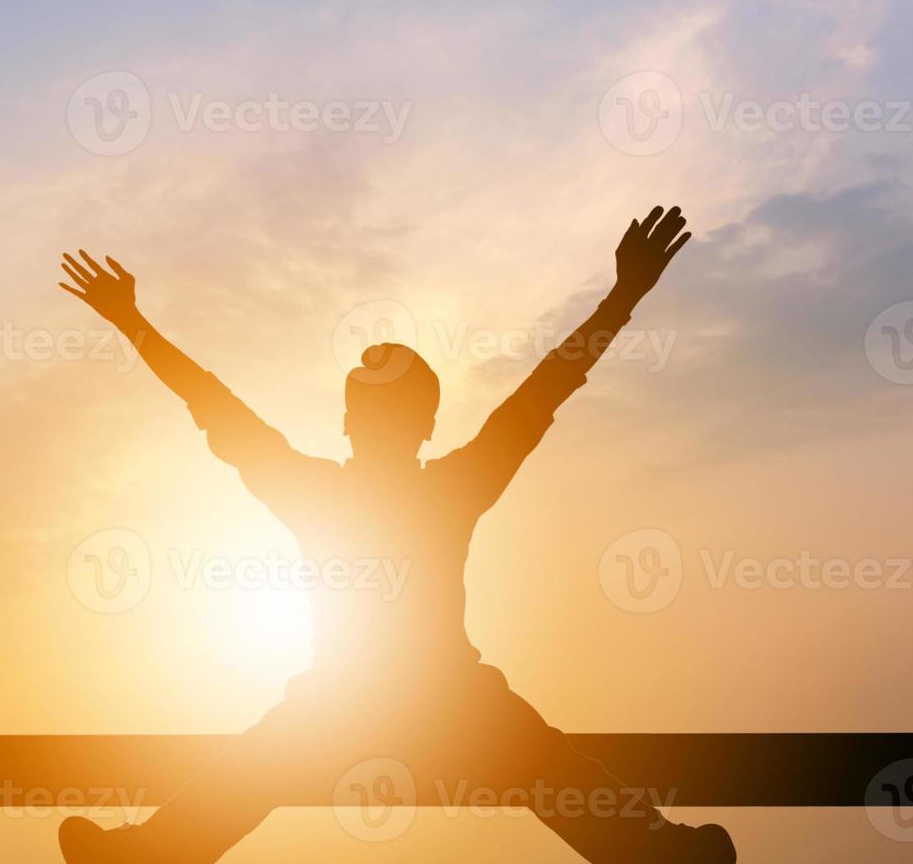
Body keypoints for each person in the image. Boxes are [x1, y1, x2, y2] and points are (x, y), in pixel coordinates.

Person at [55, 207, 735, 863]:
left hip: (351, 711)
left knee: (266, 758)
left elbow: (209, 402)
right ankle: (659, 853)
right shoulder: (446, 488)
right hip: (443, 709)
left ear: (352, 421)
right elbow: (546, 388)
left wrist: (132, 322)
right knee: (540, 759)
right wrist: (622, 296)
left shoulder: (323, 493)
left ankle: (149, 854)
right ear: (423, 426)